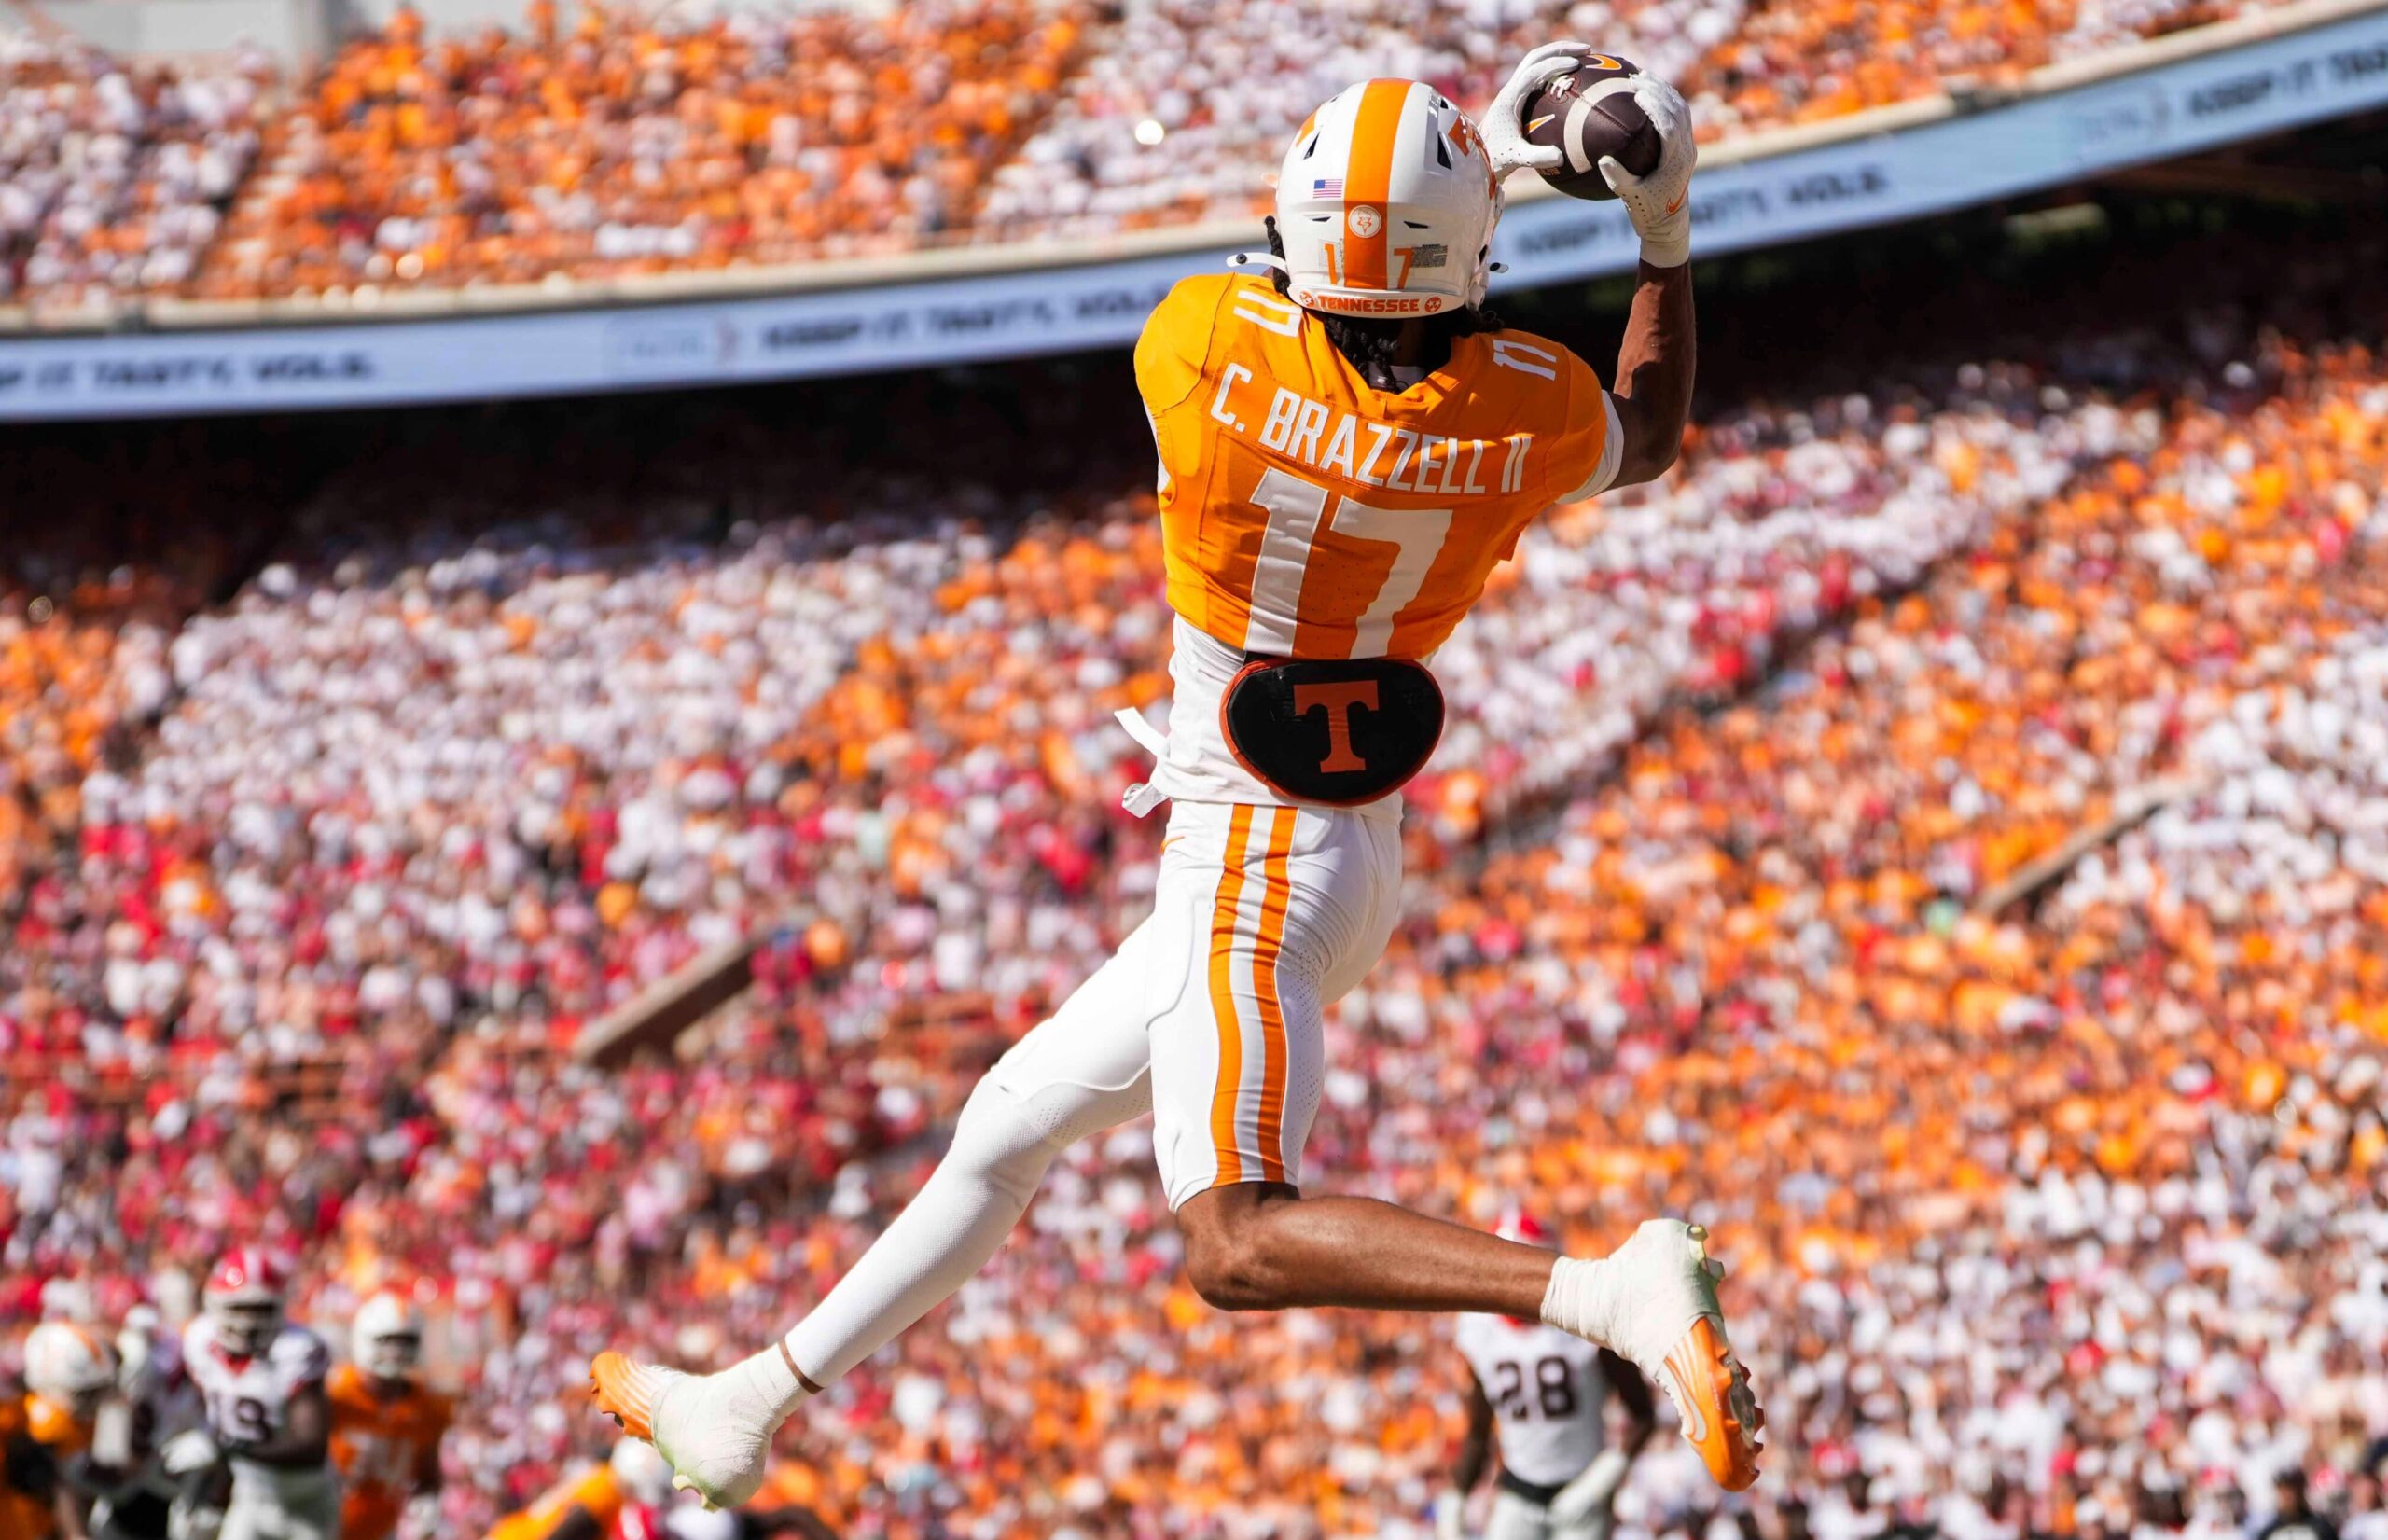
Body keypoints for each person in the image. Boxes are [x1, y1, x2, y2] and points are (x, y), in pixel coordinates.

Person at [592, 43, 1763, 1509]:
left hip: (1252, 847)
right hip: (1345, 841)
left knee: (1233, 1236)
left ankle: (1605, 1289)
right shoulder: (1522, 407)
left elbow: (1325, 282)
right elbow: (1643, 427)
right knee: (1008, 1121)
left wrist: (1486, 179)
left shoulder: (1199, 349)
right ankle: (751, 1397)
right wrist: (1658, 223)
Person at [1438, 1215, 1658, 1540]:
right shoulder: (1479, 1331)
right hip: (1518, 1488)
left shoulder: (1585, 1323)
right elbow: (1479, 1432)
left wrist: (1600, 1482)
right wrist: (1455, 1496)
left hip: (1581, 1483)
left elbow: (1643, 1414)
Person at [179, 1252, 340, 1540]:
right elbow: (216, 1421)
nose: (249, 1323)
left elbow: (311, 1449)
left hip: (306, 1502)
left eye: (261, 1309)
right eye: (238, 1308)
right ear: (214, 1305)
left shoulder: (297, 1349)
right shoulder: (200, 1340)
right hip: (250, 1498)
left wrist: (227, 1448)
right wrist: (208, 1493)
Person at [327, 1296, 450, 1540]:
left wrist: (426, 1504)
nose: (396, 1351)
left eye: (405, 1341)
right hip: (323, 1520)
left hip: (381, 1528)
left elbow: (428, 1473)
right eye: (387, 1341)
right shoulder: (336, 1391)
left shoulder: (426, 1406)